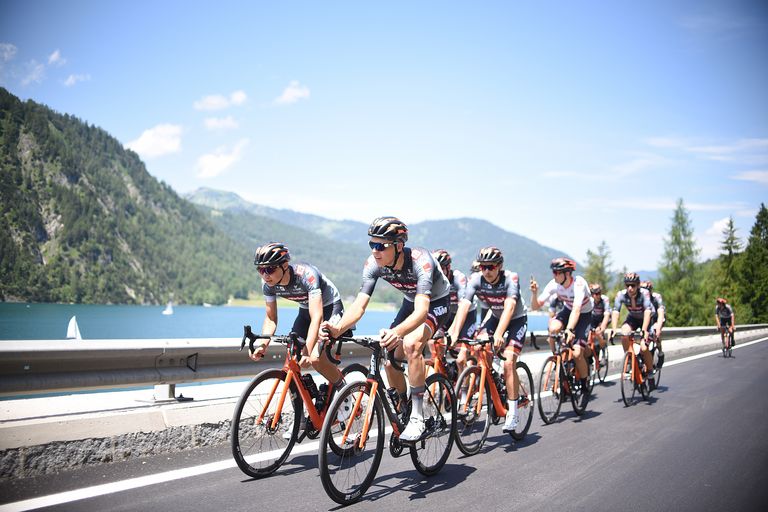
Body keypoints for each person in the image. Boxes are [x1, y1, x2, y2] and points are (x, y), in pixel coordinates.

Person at [319, 216, 451, 442]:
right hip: (410, 301)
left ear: (399, 246)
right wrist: (337, 328)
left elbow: (421, 311)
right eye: (372, 244)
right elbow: (359, 306)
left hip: (436, 302)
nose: (375, 251)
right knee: (390, 361)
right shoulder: (373, 265)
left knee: (411, 344)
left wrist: (398, 333)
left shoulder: (422, 261)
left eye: (381, 245)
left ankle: (418, 418)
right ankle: (404, 407)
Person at [248, 242, 350, 429]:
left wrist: (308, 350)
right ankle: (299, 420)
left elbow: (317, 316)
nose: (265, 275)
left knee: (315, 358)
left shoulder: (306, 275)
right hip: (305, 311)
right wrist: (263, 344)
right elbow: (271, 318)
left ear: (284, 266)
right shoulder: (268, 284)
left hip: (329, 308)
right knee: (291, 361)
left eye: (269, 269)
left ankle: (344, 389)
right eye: (260, 270)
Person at [449, 246, 528, 433]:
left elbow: (509, 307)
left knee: (509, 363)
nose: (486, 271)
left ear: (499, 266)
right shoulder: (476, 279)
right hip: (495, 317)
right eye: (483, 267)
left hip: (516, 319)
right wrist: (454, 332)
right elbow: (464, 306)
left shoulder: (511, 278)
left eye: (491, 267)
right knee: (478, 347)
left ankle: (513, 412)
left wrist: (500, 334)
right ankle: (494, 381)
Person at [529, 257, 593, 401]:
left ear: (567, 273)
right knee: (553, 328)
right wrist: (534, 293)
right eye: (553, 272)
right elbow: (535, 306)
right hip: (568, 310)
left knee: (577, 354)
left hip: (584, 314)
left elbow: (577, 309)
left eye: (557, 272)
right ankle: (558, 358)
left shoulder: (579, 284)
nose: (554, 275)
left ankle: (584, 385)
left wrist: (570, 329)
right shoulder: (554, 284)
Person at [431, 249, 477, 376]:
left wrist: (454, 332)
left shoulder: (459, 278)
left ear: (448, 267)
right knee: (433, 344)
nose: (437, 273)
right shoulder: (432, 280)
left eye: (440, 269)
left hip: (466, 316)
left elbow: (463, 305)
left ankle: (463, 394)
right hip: (447, 316)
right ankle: (446, 378)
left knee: (461, 359)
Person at [609, 272, 654, 387]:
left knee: (644, 348)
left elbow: (648, 312)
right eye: (627, 285)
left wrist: (644, 330)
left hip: (645, 319)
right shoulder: (621, 295)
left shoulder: (645, 293)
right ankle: (629, 358)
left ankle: (650, 372)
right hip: (633, 318)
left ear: (638, 285)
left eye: (633, 285)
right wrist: (614, 329)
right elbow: (615, 312)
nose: (630, 288)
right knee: (624, 332)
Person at [640, 280, 666, 357]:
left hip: (657, 318)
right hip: (647, 318)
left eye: (647, 289)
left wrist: (658, 328)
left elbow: (661, 313)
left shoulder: (656, 297)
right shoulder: (639, 297)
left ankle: (660, 351)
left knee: (656, 332)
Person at [588, 283, 611, 352]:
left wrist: (602, 328)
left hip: (603, 318)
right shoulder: (590, 300)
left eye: (599, 293)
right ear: (592, 295)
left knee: (598, 332)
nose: (598, 296)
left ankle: (603, 350)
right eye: (595, 294)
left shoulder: (605, 299)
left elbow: (607, 315)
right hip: (594, 318)